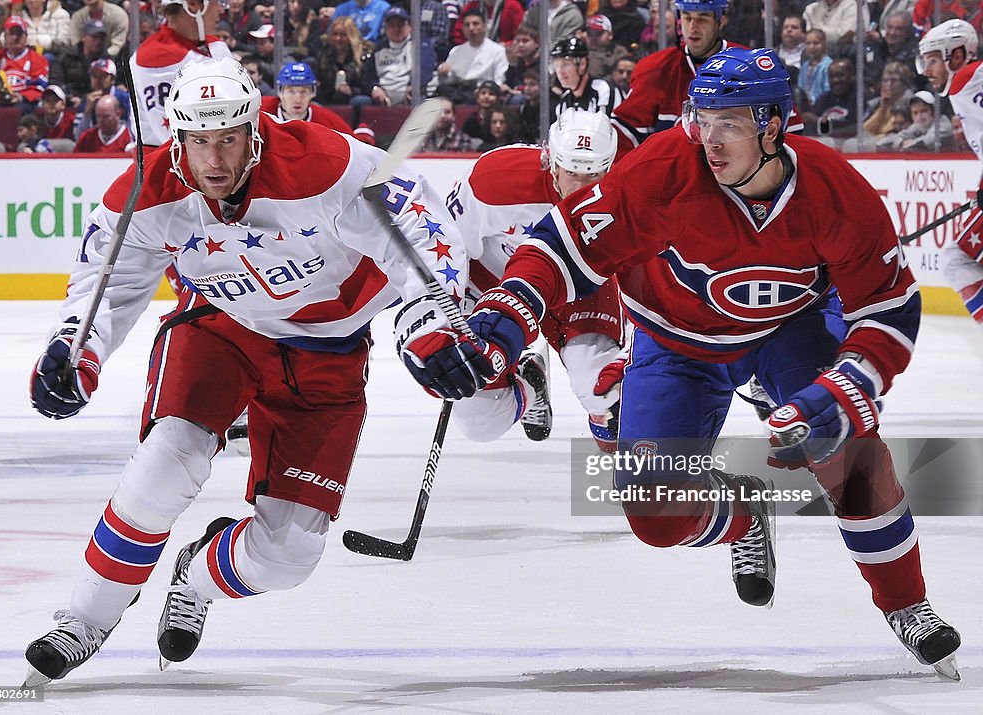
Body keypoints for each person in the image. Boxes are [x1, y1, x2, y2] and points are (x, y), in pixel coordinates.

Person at [399, 47, 963, 681]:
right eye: (702, 116)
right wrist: (503, 320)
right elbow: (560, 246)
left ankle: (908, 604)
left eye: (729, 121)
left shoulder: (836, 191)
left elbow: (888, 308)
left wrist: (847, 384)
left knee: (849, 450)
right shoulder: (664, 169)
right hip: (677, 344)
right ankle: (745, 513)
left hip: (789, 327)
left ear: (773, 124)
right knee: (654, 513)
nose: (708, 137)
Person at [23, 56, 464, 685]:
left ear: (254, 128)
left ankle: (198, 576)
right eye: (199, 141)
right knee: (162, 468)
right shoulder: (147, 192)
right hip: (222, 330)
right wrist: (75, 351)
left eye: (228, 137)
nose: (215, 160)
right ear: (177, 136)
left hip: (329, 353)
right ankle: (84, 620)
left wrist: (433, 319)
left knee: (288, 557)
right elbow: (106, 282)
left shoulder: (327, 165)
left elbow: (421, 231)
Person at [425, 108, 623, 447]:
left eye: (593, 176)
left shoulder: (624, 195)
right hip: (497, 289)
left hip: (581, 291)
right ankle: (531, 385)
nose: (581, 188)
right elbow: (450, 247)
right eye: (572, 172)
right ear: (550, 159)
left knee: (606, 394)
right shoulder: (494, 180)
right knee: (479, 422)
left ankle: (635, 482)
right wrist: (454, 311)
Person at [611, 0, 744, 155]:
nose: (693, 27)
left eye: (702, 19)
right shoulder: (654, 70)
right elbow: (624, 135)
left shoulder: (746, 68)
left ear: (720, 21)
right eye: (687, 18)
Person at [928, 20, 983, 323]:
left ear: (957, 55)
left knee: (956, 259)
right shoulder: (965, 85)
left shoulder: (970, 77)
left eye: (933, 60)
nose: (926, 70)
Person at [129, 0, 231, 150]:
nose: (222, 10)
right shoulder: (156, 56)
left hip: (214, 157)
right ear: (193, 5)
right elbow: (172, 138)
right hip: (167, 168)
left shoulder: (216, 46)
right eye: (217, 2)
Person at [358, 6, 438, 107]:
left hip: (413, 97)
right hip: (383, 100)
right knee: (359, 102)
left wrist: (413, 87)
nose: (396, 29)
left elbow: (425, 69)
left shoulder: (420, 44)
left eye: (400, 25)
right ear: (386, 28)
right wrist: (374, 88)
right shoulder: (379, 49)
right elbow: (368, 75)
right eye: (392, 25)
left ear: (409, 26)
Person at [437, 8, 509, 102]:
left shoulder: (498, 51)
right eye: (467, 25)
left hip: (482, 92)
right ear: (463, 28)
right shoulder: (456, 51)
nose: (471, 28)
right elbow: (449, 80)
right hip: (458, 90)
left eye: (475, 24)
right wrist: (443, 72)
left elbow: (499, 80)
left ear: (484, 26)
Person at [261, 61, 353, 133]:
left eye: (303, 92)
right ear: (280, 93)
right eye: (291, 92)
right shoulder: (261, 111)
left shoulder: (328, 121)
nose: (298, 99)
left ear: (312, 93)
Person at [551, 36, 623, 120]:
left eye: (565, 64)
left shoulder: (603, 90)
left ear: (582, 64)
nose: (560, 71)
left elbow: (609, 129)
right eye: (556, 66)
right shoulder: (564, 103)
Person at [0, 16, 49, 112]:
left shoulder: (37, 59)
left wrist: (21, 97)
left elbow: (39, 86)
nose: (15, 37)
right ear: (4, 37)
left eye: (19, 34)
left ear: (26, 36)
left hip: (23, 103)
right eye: (11, 34)